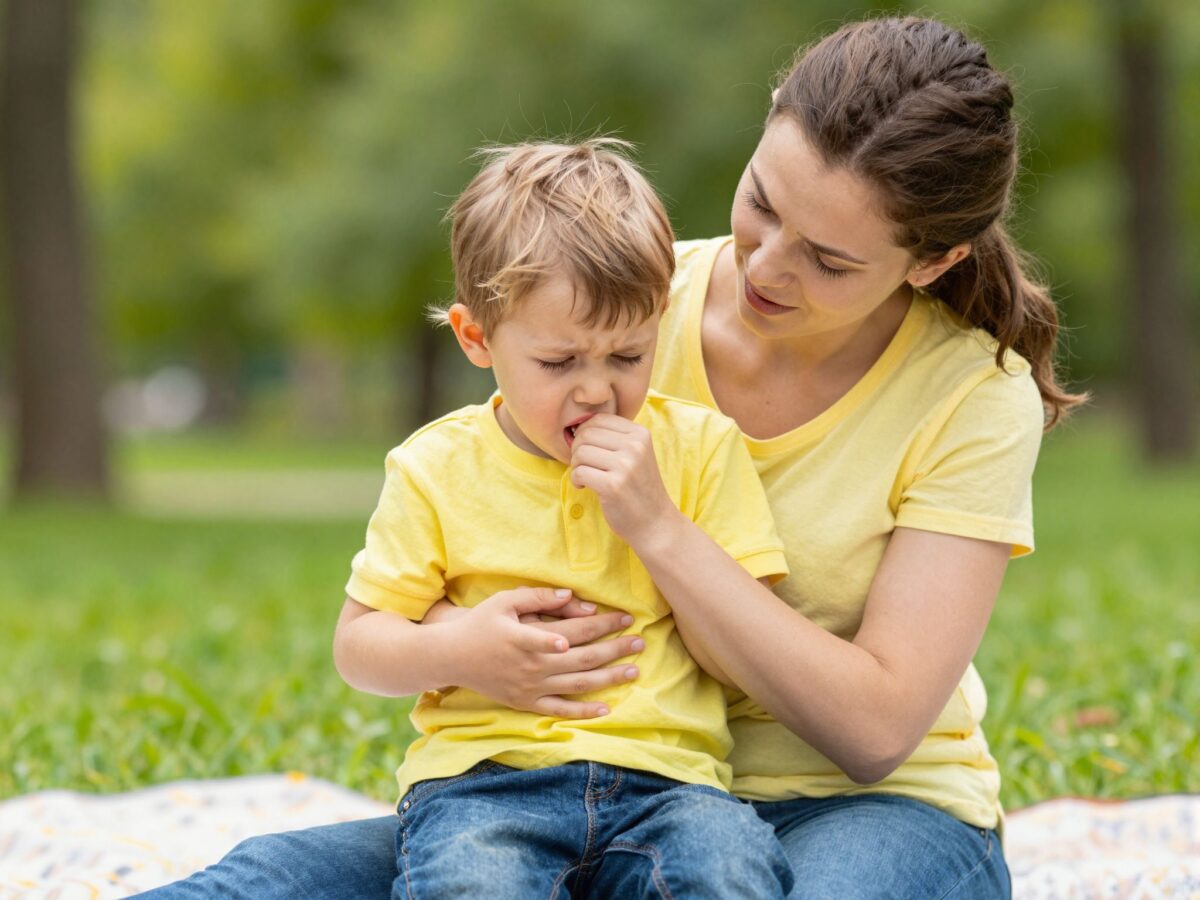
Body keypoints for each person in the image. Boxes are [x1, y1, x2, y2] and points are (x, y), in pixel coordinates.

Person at [136, 15, 1085, 899]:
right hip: (568, 786)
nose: (766, 266)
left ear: (933, 261)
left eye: (829, 261)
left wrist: (661, 532)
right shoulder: (620, 302)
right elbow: (473, 524)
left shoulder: (972, 394)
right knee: (272, 880)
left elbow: (877, 731)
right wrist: (473, 646)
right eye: (762, 203)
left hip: (862, 809)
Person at [143, 141, 795, 899]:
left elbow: (742, 665)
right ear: (476, 337)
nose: (597, 392)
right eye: (559, 363)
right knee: (470, 882)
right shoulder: (436, 467)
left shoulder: (700, 449)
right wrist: (462, 650)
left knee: (728, 869)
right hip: (486, 786)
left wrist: (656, 524)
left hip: (671, 788)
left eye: (628, 356)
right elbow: (359, 647)